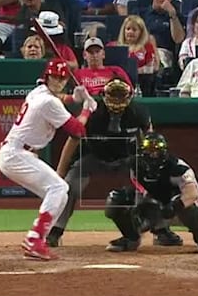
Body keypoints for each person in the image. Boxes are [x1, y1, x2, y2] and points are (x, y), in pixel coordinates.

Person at [0, 58, 97, 260]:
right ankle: (35, 238)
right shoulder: (47, 101)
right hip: (17, 154)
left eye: (62, 78)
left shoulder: (38, 92)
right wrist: (87, 108)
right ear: (47, 77)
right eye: (54, 77)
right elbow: (77, 131)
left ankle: (37, 238)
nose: (58, 82)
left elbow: (58, 98)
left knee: (60, 192)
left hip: (16, 153)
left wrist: (72, 99)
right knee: (58, 189)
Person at [48, 77, 156, 248]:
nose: (117, 101)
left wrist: (149, 166)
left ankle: (160, 230)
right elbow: (73, 139)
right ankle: (55, 231)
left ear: (129, 97)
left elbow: (149, 138)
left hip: (127, 158)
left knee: (154, 183)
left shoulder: (138, 112)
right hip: (93, 156)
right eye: (113, 96)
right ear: (103, 95)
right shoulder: (93, 112)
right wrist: (60, 172)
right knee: (68, 187)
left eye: (121, 96)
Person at [102, 131, 198, 253]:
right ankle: (132, 238)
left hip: (186, 207)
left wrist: (173, 207)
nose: (153, 154)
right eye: (149, 150)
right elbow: (141, 192)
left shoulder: (177, 167)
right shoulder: (136, 167)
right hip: (157, 206)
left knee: (181, 202)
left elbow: (192, 194)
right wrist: (140, 214)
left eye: (156, 150)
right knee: (115, 200)